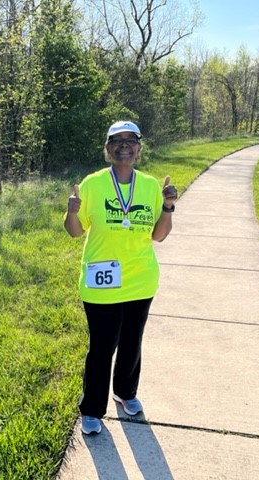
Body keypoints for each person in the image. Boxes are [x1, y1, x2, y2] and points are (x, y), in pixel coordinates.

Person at [64, 120, 177, 435]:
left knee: (131, 341)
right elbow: (75, 232)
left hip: (140, 279)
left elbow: (159, 235)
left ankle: (125, 393)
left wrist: (168, 207)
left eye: (131, 140)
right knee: (101, 346)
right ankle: (92, 410)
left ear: (139, 149)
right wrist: (72, 212)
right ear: (107, 148)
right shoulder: (92, 184)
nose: (124, 145)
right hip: (102, 281)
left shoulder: (151, 186)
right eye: (117, 140)